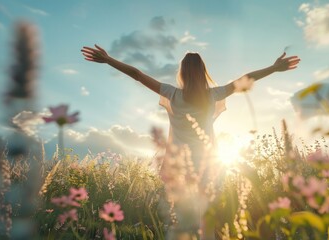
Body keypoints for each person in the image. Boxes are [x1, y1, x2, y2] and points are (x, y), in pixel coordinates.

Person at [81, 45, 300, 240]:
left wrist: (109, 60)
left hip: (179, 168)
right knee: (206, 216)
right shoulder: (214, 94)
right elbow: (245, 79)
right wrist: (273, 68)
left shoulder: (172, 93)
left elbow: (137, 74)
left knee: (181, 217)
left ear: (182, 73)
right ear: (203, 72)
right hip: (208, 166)